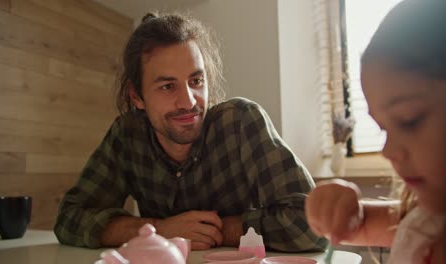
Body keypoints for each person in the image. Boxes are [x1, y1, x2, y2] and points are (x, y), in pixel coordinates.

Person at [54, 12, 327, 252]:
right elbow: (69, 219)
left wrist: (218, 230)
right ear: (136, 96)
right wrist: (158, 230)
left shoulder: (242, 122)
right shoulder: (127, 135)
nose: (189, 102)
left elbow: (314, 225)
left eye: (196, 81)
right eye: (168, 86)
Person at [305, 1, 446, 263]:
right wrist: (342, 212)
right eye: (383, 129)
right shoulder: (425, 221)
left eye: (409, 120)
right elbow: (360, 225)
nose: (388, 151)